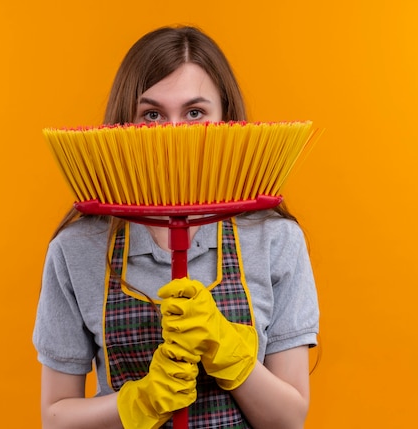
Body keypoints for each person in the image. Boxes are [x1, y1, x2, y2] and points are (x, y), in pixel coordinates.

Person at [33, 25, 319, 429]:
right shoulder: (77, 247)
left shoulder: (273, 238)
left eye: (195, 113)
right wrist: (141, 400)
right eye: (152, 115)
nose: (171, 132)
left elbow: (288, 421)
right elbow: (56, 418)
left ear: (226, 121)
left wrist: (231, 355)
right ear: (125, 125)